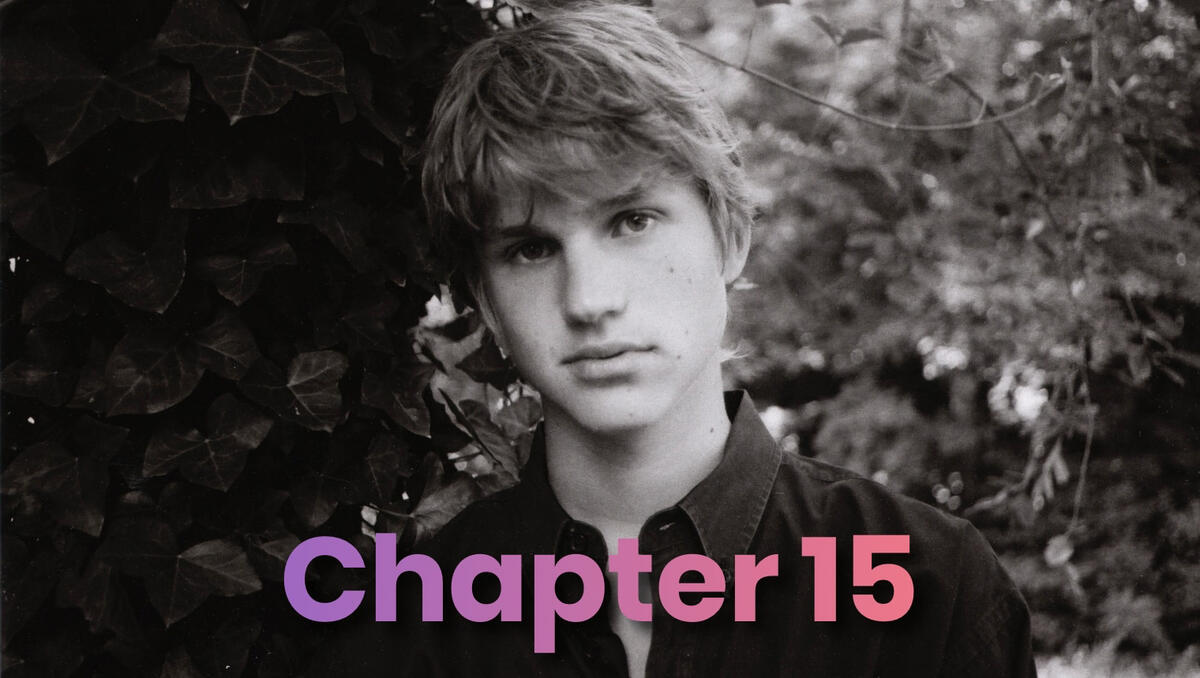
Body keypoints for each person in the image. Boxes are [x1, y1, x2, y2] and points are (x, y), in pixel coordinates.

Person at [334, 4, 1037, 676]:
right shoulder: (408, 634)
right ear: (485, 300)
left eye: (632, 220)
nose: (590, 300)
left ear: (730, 238)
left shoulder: (934, 594)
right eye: (531, 249)